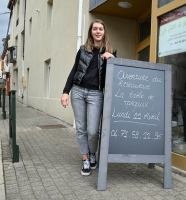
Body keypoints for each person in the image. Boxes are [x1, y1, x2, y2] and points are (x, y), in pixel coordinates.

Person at [61, 19, 117, 176]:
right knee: (81, 128)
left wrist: (111, 59)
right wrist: (66, 91)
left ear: (104, 32)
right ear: (91, 32)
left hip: (96, 94)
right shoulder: (83, 50)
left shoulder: (111, 52)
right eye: (95, 29)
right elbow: (74, 71)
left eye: (101, 29)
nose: (98, 31)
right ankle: (85, 159)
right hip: (78, 91)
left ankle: (93, 153)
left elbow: (113, 77)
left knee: (93, 130)